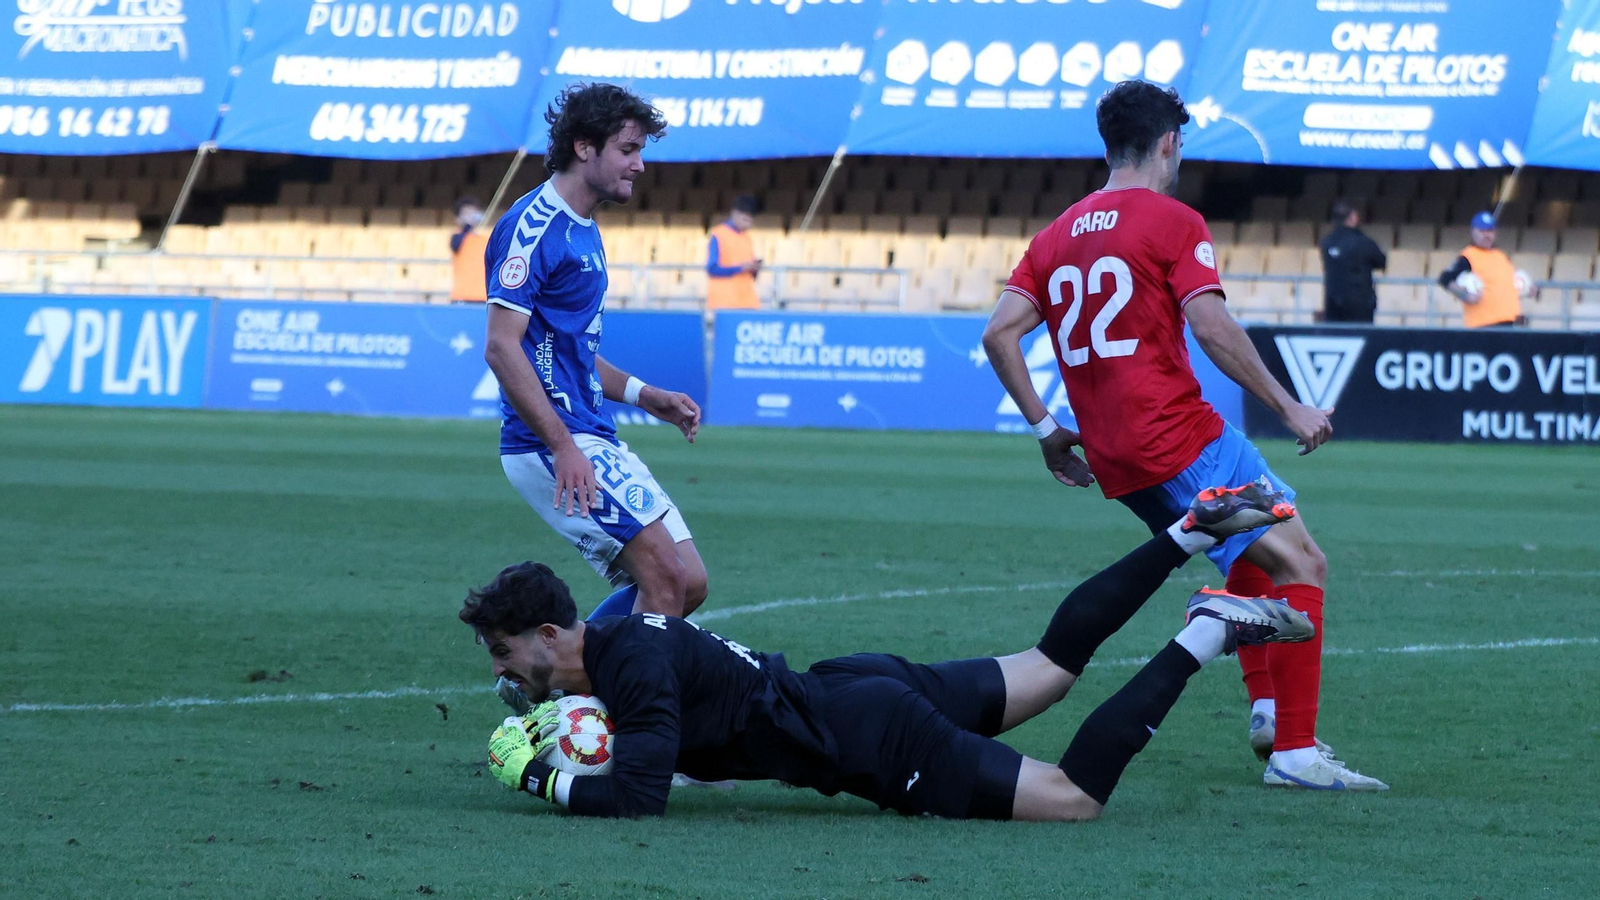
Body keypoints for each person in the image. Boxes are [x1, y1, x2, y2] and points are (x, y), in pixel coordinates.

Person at [981, 80, 1387, 791]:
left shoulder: (1053, 235)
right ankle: (1294, 753)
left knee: (1249, 556)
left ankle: (1267, 707)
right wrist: (1290, 406)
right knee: (1305, 564)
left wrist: (1047, 430)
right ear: (1169, 142)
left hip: (1118, 459)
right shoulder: (1170, 220)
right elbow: (1211, 325)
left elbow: (998, 334)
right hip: (1180, 438)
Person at [468, 484, 1319, 818]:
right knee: (1049, 668)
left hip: (872, 737)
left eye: (505, 654)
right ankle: (1184, 532)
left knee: (1072, 799)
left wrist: (542, 776)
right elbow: (695, 756)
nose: (501, 673)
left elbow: (641, 796)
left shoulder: (631, 664)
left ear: (552, 635)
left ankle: (1206, 631)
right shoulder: (628, 643)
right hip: (848, 686)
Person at [483, 82, 709, 643]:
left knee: (689, 582)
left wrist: (643, 394)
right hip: (551, 443)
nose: (639, 165)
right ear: (585, 147)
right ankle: (627, 721)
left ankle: (564, 677)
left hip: (589, 433)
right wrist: (563, 447)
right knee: (663, 579)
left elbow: (571, 351)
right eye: (628, 150)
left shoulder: (584, 229)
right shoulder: (531, 227)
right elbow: (501, 346)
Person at [1437, 211, 1525, 328]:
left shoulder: (1501, 256)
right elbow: (1445, 279)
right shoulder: (1468, 256)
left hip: (1510, 322)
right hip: (1484, 324)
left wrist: (1529, 288)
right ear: (1473, 232)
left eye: (1490, 231)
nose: (1487, 235)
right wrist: (1466, 296)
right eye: (1482, 231)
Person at [1318, 200, 1386, 324]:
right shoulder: (1363, 242)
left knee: (1334, 339)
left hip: (1333, 301)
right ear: (1353, 218)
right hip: (1359, 305)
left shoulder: (1326, 243)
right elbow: (1381, 261)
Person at [705, 195, 763, 310]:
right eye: (745, 219)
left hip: (747, 302)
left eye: (750, 221)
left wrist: (754, 268)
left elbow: (750, 273)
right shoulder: (718, 235)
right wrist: (740, 268)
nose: (748, 224)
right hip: (724, 303)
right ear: (735, 214)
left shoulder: (748, 238)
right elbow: (712, 269)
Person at [450, 196, 489, 303]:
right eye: (466, 213)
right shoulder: (457, 237)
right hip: (462, 296)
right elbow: (455, 246)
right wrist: (467, 225)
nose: (471, 216)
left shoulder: (486, 240)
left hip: (483, 297)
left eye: (473, 212)